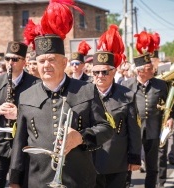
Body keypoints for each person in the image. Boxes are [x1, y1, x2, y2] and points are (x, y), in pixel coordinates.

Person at [9, 1, 113, 187]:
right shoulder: (26, 96)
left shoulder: (87, 90)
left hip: (79, 179)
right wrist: (15, 180)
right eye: (41, 61)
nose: (46, 65)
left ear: (64, 62)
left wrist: (81, 137)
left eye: (52, 59)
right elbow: (19, 142)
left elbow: (106, 128)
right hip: (39, 180)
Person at [92, 25, 141, 188]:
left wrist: (134, 157)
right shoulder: (84, 93)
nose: (100, 76)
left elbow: (133, 128)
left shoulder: (127, 95)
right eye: (96, 72)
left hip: (117, 160)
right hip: (89, 160)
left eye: (105, 72)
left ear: (113, 72)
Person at [122, 53, 174, 188]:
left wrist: (171, 117)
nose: (153, 70)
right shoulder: (126, 85)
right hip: (132, 132)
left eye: (152, 67)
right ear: (140, 72)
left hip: (154, 130)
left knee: (152, 166)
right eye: (149, 68)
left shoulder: (161, 84)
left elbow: (172, 104)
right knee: (129, 164)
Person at [0, 41, 39, 188]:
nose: (10, 62)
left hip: (24, 143)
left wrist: (19, 114)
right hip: (0, 142)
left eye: (15, 59)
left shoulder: (35, 84)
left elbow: (40, 111)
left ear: (24, 62)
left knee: (18, 184)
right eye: (8, 59)